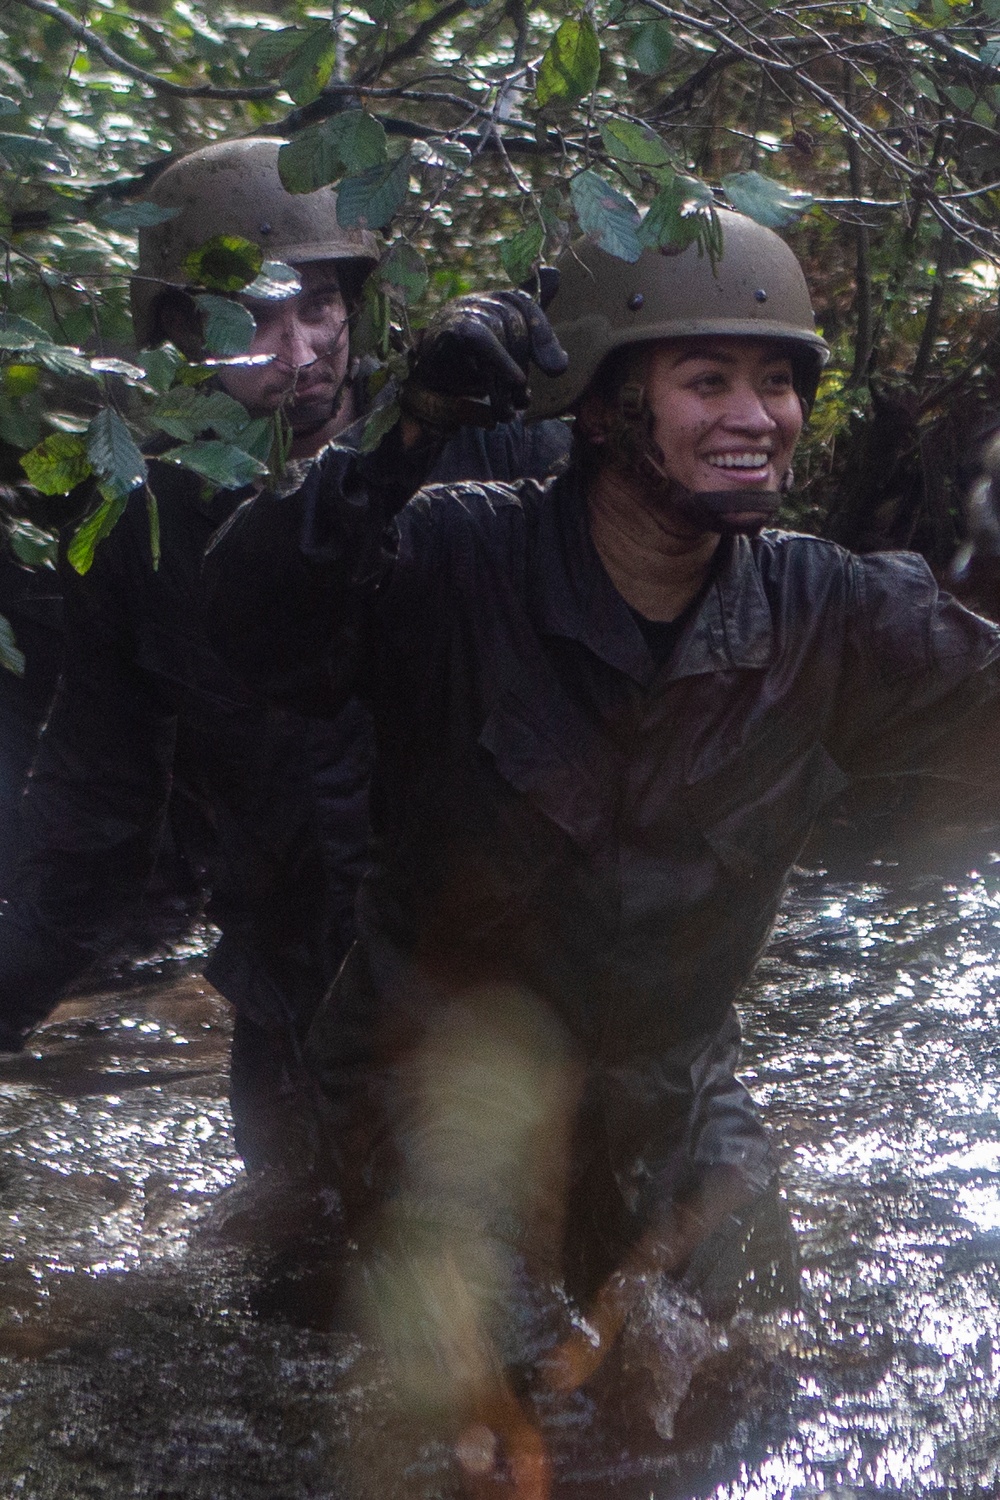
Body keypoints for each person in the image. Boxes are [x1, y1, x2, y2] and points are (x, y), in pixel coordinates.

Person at [202, 206, 1000, 1493]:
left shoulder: (831, 612)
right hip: (435, 1099)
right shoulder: (457, 552)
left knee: (760, 1414)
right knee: (522, 1439)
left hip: (675, 1103)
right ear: (601, 410)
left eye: (781, 380)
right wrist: (405, 437)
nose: (760, 414)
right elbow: (248, 628)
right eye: (708, 381)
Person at [0, 135, 570, 1177]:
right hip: (295, 999)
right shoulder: (142, 524)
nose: (302, 352)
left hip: (499, 991)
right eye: (257, 318)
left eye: (320, 308)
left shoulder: (489, 447)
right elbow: (98, 805)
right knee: (287, 1290)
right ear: (178, 330)